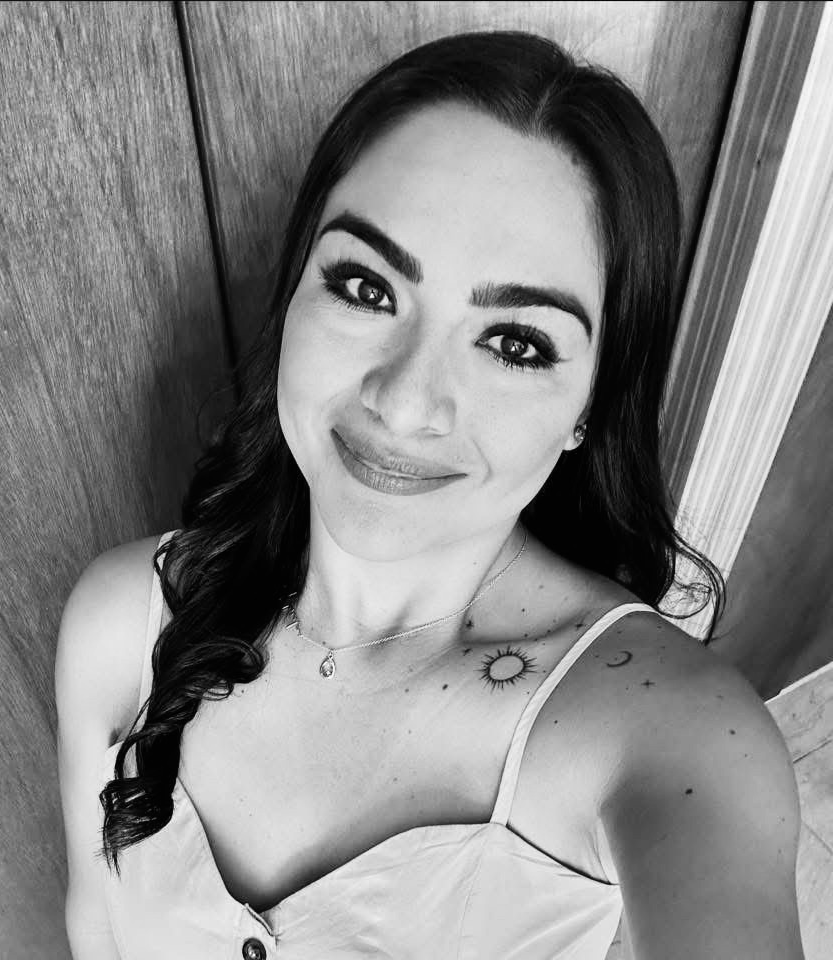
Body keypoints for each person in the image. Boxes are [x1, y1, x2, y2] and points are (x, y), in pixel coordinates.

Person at [55, 30, 804, 960]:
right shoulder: (120, 623)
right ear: (293, 295)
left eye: (515, 344)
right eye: (366, 288)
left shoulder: (663, 735)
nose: (406, 404)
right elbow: (93, 926)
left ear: (590, 406)